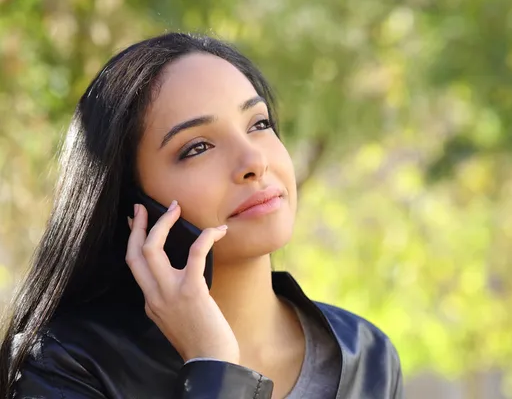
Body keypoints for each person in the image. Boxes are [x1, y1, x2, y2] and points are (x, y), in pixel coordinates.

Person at [0, 32, 402, 399]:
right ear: (131, 201)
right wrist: (213, 366)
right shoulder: (64, 367)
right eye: (197, 148)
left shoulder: (368, 357)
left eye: (259, 124)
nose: (253, 160)